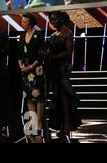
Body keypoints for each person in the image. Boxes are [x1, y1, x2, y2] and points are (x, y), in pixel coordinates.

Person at [46, 11, 81, 143]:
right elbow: (50, 51)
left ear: (62, 19)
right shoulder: (53, 35)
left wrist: (52, 56)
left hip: (62, 68)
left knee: (65, 96)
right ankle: (61, 125)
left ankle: (67, 125)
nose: (53, 21)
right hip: (53, 68)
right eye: (52, 19)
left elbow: (68, 52)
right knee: (58, 97)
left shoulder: (68, 33)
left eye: (55, 19)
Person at [18, 14, 45, 142]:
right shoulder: (22, 37)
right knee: (29, 97)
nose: (22, 23)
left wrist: (31, 67)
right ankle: (33, 123)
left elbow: (41, 55)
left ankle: (39, 124)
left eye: (24, 21)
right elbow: (19, 55)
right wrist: (22, 66)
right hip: (25, 72)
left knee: (38, 97)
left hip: (37, 70)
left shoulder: (38, 35)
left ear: (30, 24)